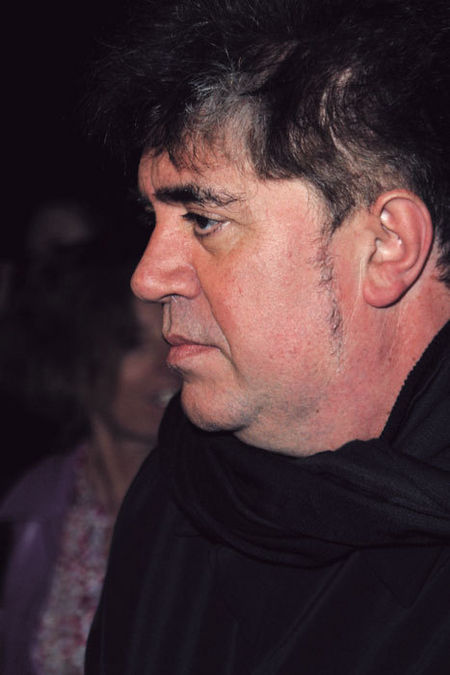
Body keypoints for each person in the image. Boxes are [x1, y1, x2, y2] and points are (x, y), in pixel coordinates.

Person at [85, 0, 450, 672]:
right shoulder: (176, 497)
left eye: (203, 219)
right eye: (152, 220)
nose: (147, 277)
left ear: (387, 246)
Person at [0, 238, 179, 674]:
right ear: (76, 360)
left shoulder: (225, 506)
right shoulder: (27, 511)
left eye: (174, 337)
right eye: (133, 343)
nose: (168, 365)